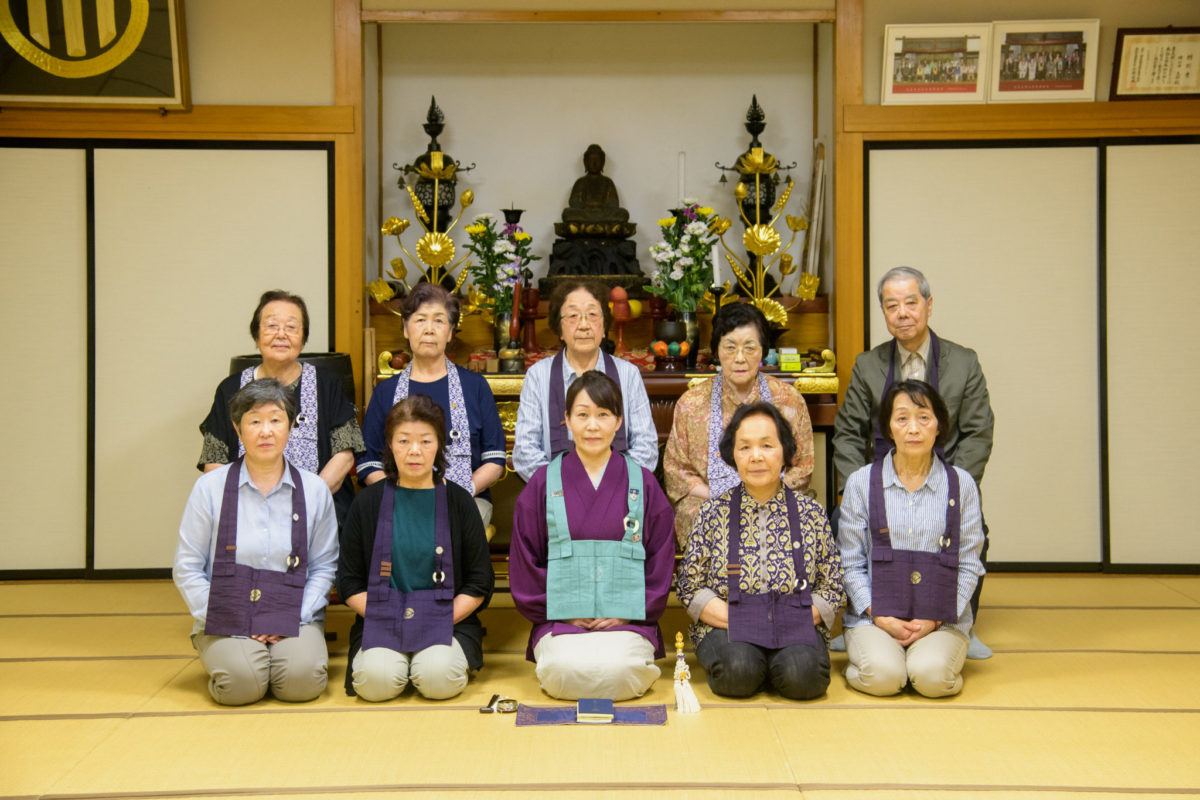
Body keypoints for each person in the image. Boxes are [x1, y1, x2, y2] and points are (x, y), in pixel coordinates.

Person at [832, 266, 994, 659]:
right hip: (882, 481)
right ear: (884, 312)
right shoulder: (868, 365)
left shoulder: (964, 362)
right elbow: (849, 433)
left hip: (943, 480)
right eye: (892, 305)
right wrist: (861, 490)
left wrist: (954, 491)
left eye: (911, 302)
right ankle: (861, 618)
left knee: (973, 531)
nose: (902, 312)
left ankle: (959, 624)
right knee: (841, 522)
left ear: (929, 305)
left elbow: (978, 432)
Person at [510, 371, 675, 700]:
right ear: (566, 421)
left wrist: (626, 611)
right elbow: (525, 561)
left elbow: (661, 557)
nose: (593, 425)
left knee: (620, 670)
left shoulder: (643, 483)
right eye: (582, 414)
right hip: (561, 618)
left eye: (603, 414)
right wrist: (567, 611)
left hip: (627, 618)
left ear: (619, 422)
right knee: (563, 671)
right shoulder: (542, 484)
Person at [174, 379, 339, 706]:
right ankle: (234, 656)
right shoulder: (209, 488)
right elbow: (187, 568)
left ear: (290, 426)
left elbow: (324, 567)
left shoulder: (315, 489)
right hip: (224, 613)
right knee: (241, 686)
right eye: (254, 421)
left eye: (276, 420)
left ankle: (268, 657)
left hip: (293, 613)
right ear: (238, 429)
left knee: (301, 683)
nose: (266, 431)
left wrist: (295, 616)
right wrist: (235, 620)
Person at [676, 402, 844, 700]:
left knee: (803, 677)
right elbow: (690, 585)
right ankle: (757, 665)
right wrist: (740, 619)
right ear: (732, 455)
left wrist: (799, 619)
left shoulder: (811, 513)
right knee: (737, 671)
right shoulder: (712, 512)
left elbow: (832, 586)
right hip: (728, 623)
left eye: (767, 445)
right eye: (745, 447)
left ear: (785, 452)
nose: (756, 456)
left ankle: (777, 665)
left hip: (796, 622)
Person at [336, 394, 494, 701]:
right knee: (375, 682)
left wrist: (436, 621)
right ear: (390, 445)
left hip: (448, 622)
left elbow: (479, 582)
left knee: (438, 679)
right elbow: (348, 581)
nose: (414, 451)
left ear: (439, 445)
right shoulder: (367, 503)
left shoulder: (460, 501)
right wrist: (390, 619)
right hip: (382, 621)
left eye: (425, 441)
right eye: (404, 441)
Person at [837, 380, 985, 698]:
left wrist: (934, 618)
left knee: (932, 679)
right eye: (902, 418)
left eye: (924, 417)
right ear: (889, 428)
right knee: (883, 678)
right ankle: (884, 661)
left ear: (939, 426)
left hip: (942, 619)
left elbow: (970, 563)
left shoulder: (962, 485)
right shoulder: (861, 483)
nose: (913, 428)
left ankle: (928, 661)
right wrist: (876, 612)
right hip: (874, 618)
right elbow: (849, 562)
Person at [199, 290, 363, 523]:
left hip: (317, 512)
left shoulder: (327, 384)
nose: (281, 335)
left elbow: (345, 455)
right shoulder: (230, 389)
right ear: (256, 336)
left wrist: (306, 502)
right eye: (271, 326)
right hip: (248, 515)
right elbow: (214, 462)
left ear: (303, 338)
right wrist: (248, 509)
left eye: (291, 327)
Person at [663, 302, 814, 547]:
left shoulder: (789, 400)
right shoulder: (691, 403)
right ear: (717, 351)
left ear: (763, 350)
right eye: (730, 348)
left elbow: (802, 468)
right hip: (711, 499)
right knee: (699, 516)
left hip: (774, 497)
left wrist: (764, 497)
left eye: (750, 347)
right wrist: (720, 499)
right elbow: (676, 470)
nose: (740, 358)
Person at [358, 283, 506, 526]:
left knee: (451, 531)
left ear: (450, 332)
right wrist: (402, 497)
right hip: (399, 500)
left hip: (467, 499)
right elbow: (368, 463)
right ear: (405, 329)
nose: (429, 329)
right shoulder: (386, 392)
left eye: (438, 321)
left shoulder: (475, 387)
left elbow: (495, 459)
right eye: (420, 320)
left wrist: (460, 493)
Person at [513, 278, 658, 481]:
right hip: (556, 496)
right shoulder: (538, 376)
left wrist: (611, 484)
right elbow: (525, 453)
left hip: (618, 492)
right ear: (559, 328)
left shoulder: (628, 374)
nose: (583, 325)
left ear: (605, 325)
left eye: (592, 315)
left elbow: (647, 450)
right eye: (573, 316)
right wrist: (563, 487)